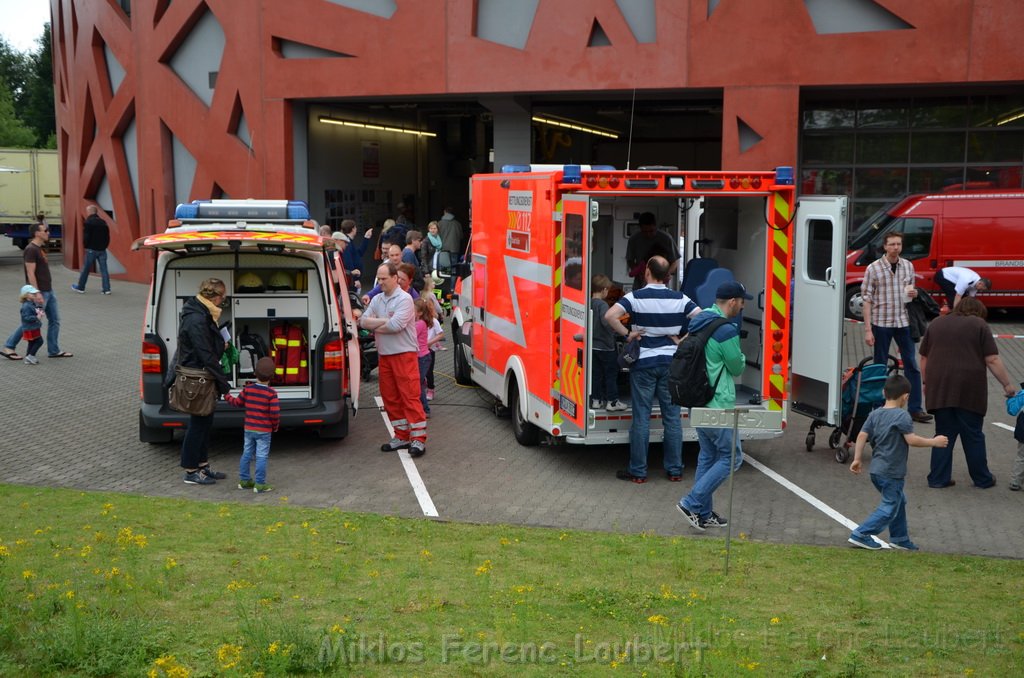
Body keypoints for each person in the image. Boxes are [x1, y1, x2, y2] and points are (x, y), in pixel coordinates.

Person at [605, 256, 701, 483]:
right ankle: (675, 470)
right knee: (672, 418)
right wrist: (682, 340)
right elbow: (703, 317)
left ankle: (638, 472)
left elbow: (610, 316)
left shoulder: (635, 297)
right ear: (667, 275)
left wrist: (627, 334)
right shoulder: (680, 298)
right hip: (671, 364)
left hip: (644, 364)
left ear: (647, 271)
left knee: (641, 418)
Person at [675, 281, 751, 530]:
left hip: (697, 400)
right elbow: (737, 366)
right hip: (718, 404)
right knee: (732, 458)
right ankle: (692, 502)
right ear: (732, 302)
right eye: (741, 302)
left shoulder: (699, 321)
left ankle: (704, 513)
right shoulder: (726, 330)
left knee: (708, 455)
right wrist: (740, 355)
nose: (742, 306)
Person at [918, 297, 1016, 488]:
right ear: (978, 312)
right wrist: (1007, 384)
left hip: (940, 389)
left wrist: (926, 382)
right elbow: (992, 359)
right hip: (969, 390)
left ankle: (938, 478)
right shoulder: (979, 324)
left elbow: (924, 357)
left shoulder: (937, 323)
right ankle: (982, 479)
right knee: (973, 435)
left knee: (943, 434)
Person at [847, 375, 949, 551]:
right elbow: (912, 440)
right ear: (906, 397)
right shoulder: (902, 416)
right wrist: (934, 442)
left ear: (883, 393)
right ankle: (861, 534)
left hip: (877, 471)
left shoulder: (874, 414)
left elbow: (862, 435)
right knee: (890, 506)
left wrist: (857, 458)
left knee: (898, 501)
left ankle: (900, 538)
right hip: (892, 472)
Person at [861, 231, 931, 423]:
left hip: (903, 322)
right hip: (881, 323)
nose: (895, 248)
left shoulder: (908, 266)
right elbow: (866, 301)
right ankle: (879, 407)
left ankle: (915, 408)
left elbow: (909, 294)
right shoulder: (873, 269)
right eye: (892, 244)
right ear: (884, 246)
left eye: (898, 244)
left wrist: (914, 293)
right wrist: (868, 330)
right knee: (880, 366)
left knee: (912, 365)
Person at [360, 263, 427, 457]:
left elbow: (396, 326)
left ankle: (418, 439)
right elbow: (363, 321)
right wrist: (384, 322)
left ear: (394, 278)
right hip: (385, 355)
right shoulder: (378, 299)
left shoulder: (404, 299)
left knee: (410, 396)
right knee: (390, 397)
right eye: (378, 279)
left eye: (383, 279)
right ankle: (402, 435)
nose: (380, 283)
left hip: (404, 354)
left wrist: (376, 324)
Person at [176, 277, 232, 485]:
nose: (222, 302)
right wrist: (223, 382)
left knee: (204, 422)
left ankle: (202, 466)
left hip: (201, 374)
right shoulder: (197, 318)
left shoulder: (200, 312)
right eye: (223, 298)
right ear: (215, 297)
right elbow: (204, 353)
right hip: (198, 376)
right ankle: (190, 471)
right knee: (198, 425)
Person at [1, 222, 73, 360]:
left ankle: (54, 350)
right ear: (37, 233)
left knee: (55, 320)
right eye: (45, 230)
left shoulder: (39, 248)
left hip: (48, 291)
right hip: (40, 293)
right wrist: (36, 293)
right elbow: (30, 272)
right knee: (30, 322)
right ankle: (9, 347)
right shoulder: (31, 249)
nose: (48, 233)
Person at [224, 356, 280, 493]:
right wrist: (275, 426)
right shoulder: (271, 394)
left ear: (255, 373)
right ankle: (260, 484)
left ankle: (244, 481)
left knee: (247, 454)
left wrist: (226, 395)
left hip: (249, 428)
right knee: (261, 456)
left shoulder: (248, 389)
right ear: (272, 376)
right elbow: (275, 414)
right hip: (264, 430)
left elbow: (236, 403)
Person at [590, 274, 626, 411]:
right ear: (604, 289)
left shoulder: (589, 303)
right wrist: (616, 329)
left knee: (596, 375)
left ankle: (596, 400)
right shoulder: (602, 305)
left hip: (593, 346)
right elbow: (607, 322)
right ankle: (612, 401)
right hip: (606, 347)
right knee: (611, 374)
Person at [625, 212, 678, 290]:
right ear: (640, 228)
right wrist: (639, 272)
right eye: (645, 232)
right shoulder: (634, 239)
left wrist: (666, 274)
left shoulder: (666, 238)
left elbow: (674, 262)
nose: (648, 234)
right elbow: (630, 260)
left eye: (651, 231)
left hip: (662, 283)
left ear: (656, 226)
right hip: (641, 283)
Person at [71, 205, 112, 295]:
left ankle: (81, 287)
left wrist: (85, 245)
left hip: (91, 249)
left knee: (86, 269)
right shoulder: (103, 222)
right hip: (102, 250)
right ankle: (106, 289)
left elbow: (86, 236)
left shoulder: (88, 222)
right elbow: (107, 237)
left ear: (89, 212)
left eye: (87, 211)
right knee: (104, 270)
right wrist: (104, 246)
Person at [414, 297, 435, 417]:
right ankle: (422, 408)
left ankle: (425, 409)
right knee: (419, 383)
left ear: (420, 313)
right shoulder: (418, 322)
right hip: (420, 357)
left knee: (417, 384)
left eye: (412, 310)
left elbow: (410, 334)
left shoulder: (420, 324)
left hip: (423, 358)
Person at [339, 218, 372, 288]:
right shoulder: (347, 243)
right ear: (353, 229)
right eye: (355, 227)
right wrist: (354, 278)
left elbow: (358, 254)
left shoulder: (349, 242)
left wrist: (366, 238)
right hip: (351, 281)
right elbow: (348, 261)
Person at [18, 284, 45, 365]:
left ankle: (28, 357)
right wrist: (37, 317)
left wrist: (39, 309)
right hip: (31, 328)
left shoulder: (31, 303)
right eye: (32, 294)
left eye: (34, 293)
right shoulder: (26, 306)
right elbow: (26, 317)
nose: (34, 295)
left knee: (32, 342)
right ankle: (31, 356)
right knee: (39, 341)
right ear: (26, 295)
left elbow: (35, 308)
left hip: (33, 327)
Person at [424, 298, 445, 400]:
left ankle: (430, 389)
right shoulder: (419, 321)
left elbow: (441, 334)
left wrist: (430, 342)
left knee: (429, 371)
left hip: (429, 350)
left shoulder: (434, 321)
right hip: (419, 350)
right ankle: (422, 387)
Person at [1009, 384, 1024, 492]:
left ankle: (1015, 481)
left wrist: (1010, 399)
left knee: (1021, 456)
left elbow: (1012, 410)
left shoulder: (1022, 394)